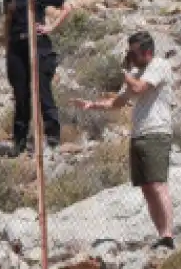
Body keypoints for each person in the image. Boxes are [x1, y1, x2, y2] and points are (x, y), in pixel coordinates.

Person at [74, 31, 175, 250]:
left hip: (156, 132)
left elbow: (138, 88)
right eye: (130, 52)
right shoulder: (136, 72)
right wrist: (92, 105)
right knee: (147, 188)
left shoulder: (158, 65)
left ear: (147, 52)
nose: (130, 56)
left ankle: (168, 235)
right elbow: (119, 102)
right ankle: (161, 236)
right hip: (139, 133)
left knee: (158, 185)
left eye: (134, 52)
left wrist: (125, 72)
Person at [3, 0, 72, 156]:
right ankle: (19, 141)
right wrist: (7, 48)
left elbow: (66, 6)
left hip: (38, 46)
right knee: (21, 95)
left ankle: (52, 137)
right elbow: (7, 21)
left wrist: (50, 27)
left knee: (42, 92)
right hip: (17, 47)